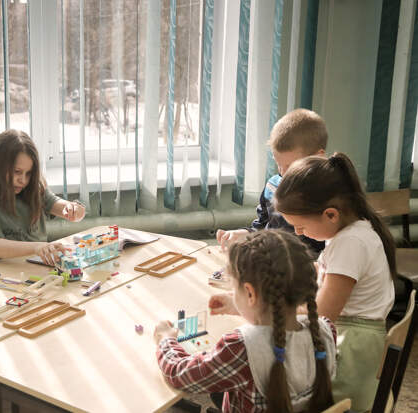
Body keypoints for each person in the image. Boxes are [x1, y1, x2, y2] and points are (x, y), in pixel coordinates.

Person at [155, 230, 336, 413]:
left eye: (234, 287)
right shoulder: (325, 330)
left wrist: (165, 340)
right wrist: (239, 306)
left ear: (250, 293)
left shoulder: (240, 348)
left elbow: (179, 375)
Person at [274, 152, 396, 411]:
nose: (298, 232)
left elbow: (322, 315)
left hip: (351, 350)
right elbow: (328, 273)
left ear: (330, 214)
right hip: (357, 340)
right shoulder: (352, 231)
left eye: (301, 226)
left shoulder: (350, 243)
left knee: (276, 382)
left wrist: (276, 307)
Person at [216, 109, 327, 253]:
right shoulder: (273, 186)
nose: (283, 172)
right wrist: (244, 234)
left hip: (307, 264)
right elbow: (263, 226)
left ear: (318, 157)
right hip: (271, 260)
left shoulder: (327, 195)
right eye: (278, 164)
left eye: (290, 166)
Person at [0, 129, 85, 264]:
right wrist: (37, 247)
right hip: (6, 273)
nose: (23, 180)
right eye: (17, 172)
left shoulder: (35, 191)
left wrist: (74, 209)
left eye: (29, 173)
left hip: (39, 270)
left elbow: (66, 207)